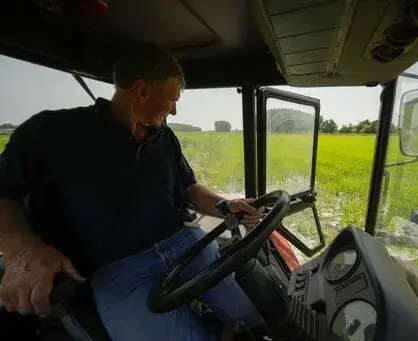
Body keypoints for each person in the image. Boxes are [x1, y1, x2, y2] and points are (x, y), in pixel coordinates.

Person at [0, 43, 263, 341]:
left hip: (186, 245)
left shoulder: (164, 137)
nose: (174, 110)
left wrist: (226, 205)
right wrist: (25, 250)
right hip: (117, 273)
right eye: (172, 99)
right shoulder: (50, 133)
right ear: (141, 91)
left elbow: (189, 187)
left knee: (257, 316)